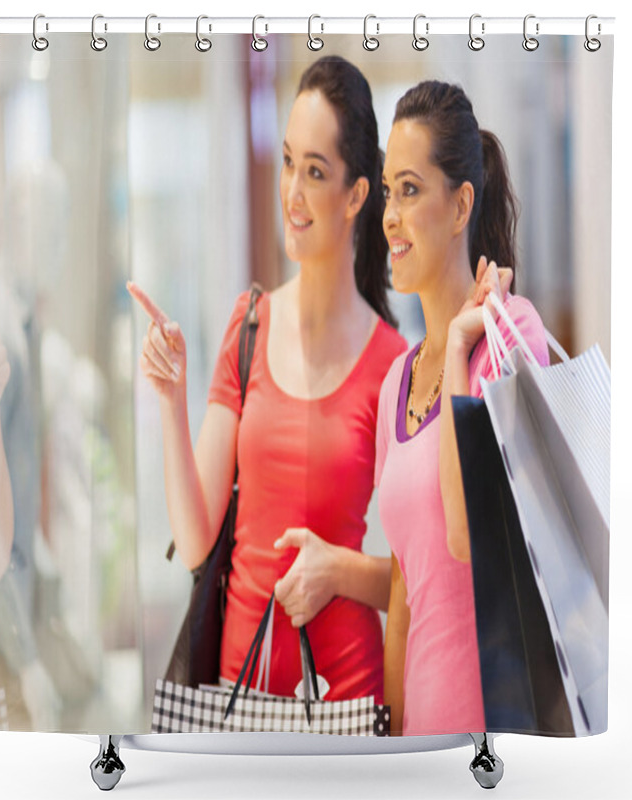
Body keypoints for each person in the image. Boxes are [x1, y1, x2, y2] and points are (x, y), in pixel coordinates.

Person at [129, 56, 406, 702]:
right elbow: (199, 544)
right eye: (288, 163)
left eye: (315, 172)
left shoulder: (393, 362)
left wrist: (338, 569)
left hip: (346, 697)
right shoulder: (247, 324)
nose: (292, 193)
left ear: (357, 195)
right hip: (238, 692)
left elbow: (423, 579)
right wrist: (172, 403)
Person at [376, 81, 550, 735]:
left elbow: (463, 532)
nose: (389, 214)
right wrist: (390, 747)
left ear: (460, 206)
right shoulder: (396, 378)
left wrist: (457, 353)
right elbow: (404, 595)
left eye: (411, 190)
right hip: (420, 734)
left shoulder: (515, 336)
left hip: (496, 735)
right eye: (388, 190)